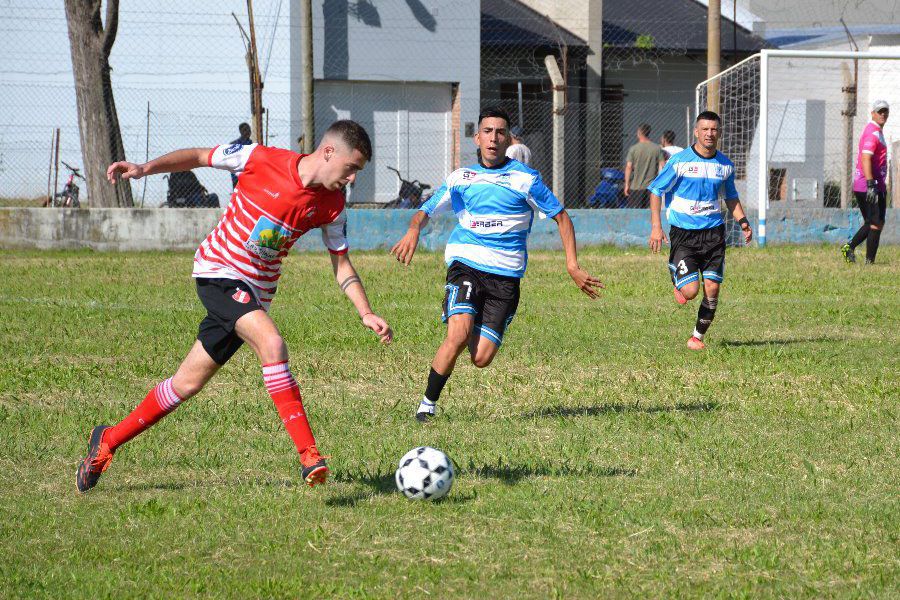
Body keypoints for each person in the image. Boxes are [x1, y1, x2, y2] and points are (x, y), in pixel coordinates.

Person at [75, 120, 393, 493]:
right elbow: (197, 157)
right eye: (351, 167)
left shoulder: (333, 206)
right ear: (328, 152)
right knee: (272, 345)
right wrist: (145, 169)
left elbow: (341, 262)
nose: (352, 178)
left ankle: (107, 441)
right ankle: (310, 455)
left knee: (184, 384)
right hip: (217, 272)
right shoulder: (259, 158)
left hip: (253, 295)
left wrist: (365, 311)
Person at [390, 106, 603, 422]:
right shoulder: (462, 178)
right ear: (477, 138)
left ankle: (473, 315)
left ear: (508, 139)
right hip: (466, 264)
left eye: (500, 132)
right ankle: (426, 406)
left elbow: (561, 217)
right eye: (487, 132)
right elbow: (426, 210)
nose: (493, 138)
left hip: (505, 277)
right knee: (458, 334)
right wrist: (412, 229)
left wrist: (572, 265)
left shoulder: (526, 179)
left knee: (480, 358)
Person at [647, 111, 752, 351]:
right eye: (704, 129)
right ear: (696, 132)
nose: (709, 134)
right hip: (684, 234)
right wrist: (656, 227)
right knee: (691, 291)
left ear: (719, 132)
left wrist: (743, 221)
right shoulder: (680, 161)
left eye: (714, 129)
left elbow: (731, 197)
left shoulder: (725, 165)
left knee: (713, 288)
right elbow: (655, 190)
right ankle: (679, 278)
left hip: (714, 234)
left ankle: (696, 337)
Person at [842, 100, 890, 264]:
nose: (883, 114)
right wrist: (871, 184)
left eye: (885, 111)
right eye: (879, 111)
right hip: (867, 185)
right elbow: (866, 158)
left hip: (877, 185)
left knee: (875, 223)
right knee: (875, 223)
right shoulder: (872, 132)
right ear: (872, 113)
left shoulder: (878, 131)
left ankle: (852, 249)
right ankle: (867, 260)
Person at [624, 123, 667, 208]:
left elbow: (629, 167)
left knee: (635, 213)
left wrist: (626, 184)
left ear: (639, 133)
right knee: (650, 213)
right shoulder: (656, 148)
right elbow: (664, 166)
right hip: (651, 188)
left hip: (636, 187)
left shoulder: (633, 149)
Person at [229, 122, 253, 188]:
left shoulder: (252, 145)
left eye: (249, 130)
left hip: (249, 174)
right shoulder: (234, 145)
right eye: (245, 130)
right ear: (240, 131)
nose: (248, 132)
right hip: (238, 175)